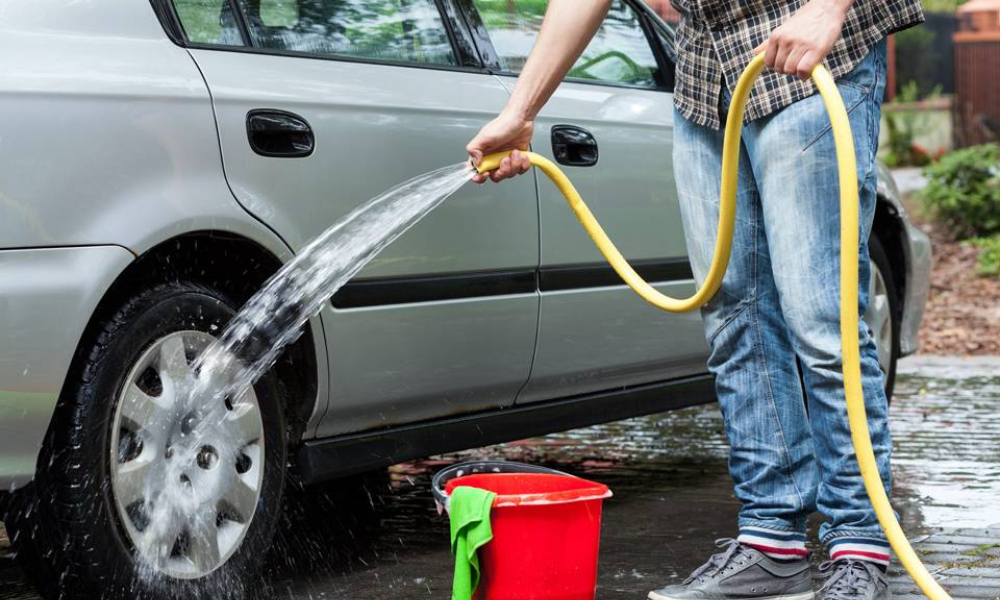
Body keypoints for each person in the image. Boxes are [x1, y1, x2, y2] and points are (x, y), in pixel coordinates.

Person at [465, 1, 925, 599]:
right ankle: (771, 544)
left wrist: (827, 8)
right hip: (707, 75)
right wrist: (519, 111)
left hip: (810, 51)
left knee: (821, 320)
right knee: (734, 316)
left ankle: (859, 543)